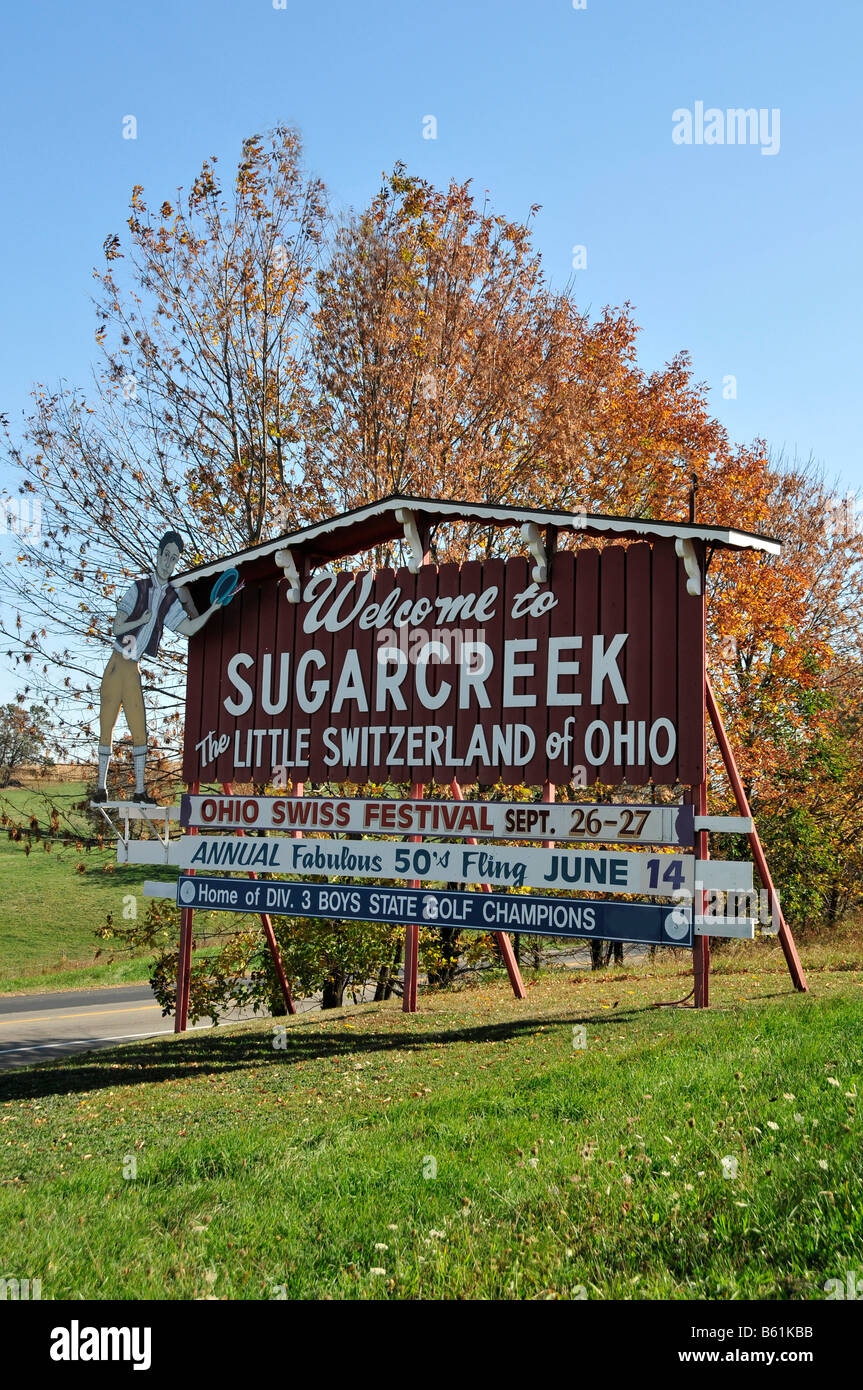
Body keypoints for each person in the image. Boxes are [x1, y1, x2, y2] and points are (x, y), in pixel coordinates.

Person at [95, 531, 220, 804]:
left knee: (140, 729)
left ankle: (139, 791)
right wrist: (141, 619)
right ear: (158, 554)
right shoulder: (138, 588)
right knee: (108, 725)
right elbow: (116, 626)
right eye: (166, 555)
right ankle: (100, 787)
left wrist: (212, 610)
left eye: (174, 558)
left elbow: (187, 628)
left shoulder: (170, 598)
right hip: (117, 663)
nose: (168, 562)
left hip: (133, 668)